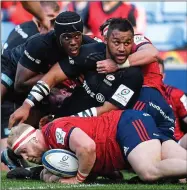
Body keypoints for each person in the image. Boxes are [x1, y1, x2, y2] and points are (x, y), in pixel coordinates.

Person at [8, 18, 145, 128]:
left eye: (127, 43)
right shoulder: (89, 51)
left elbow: (105, 110)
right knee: (20, 140)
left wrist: (64, 122)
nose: (122, 48)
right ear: (106, 40)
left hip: (88, 128)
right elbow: (53, 76)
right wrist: (27, 106)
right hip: (61, 117)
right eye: (116, 42)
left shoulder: (133, 75)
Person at [7, 109, 187, 184]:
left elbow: (88, 147)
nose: (25, 158)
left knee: (149, 171)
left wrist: (78, 178)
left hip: (125, 126)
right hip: (126, 131)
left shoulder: (54, 130)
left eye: (24, 151)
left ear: (33, 139)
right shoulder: (52, 141)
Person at [1, 2, 60, 156]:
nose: (49, 23)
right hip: (11, 90)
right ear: (38, 16)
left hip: (16, 88)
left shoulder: (38, 33)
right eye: (48, 18)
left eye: (54, 19)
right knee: (10, 142)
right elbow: (11, 71)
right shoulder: (31, 37)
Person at [158, 58, 187, 149]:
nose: (155, 78)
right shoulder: (136, 95)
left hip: (177, 142)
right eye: (152, 75)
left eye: (158, 75)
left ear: (163, 76)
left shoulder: (176, 94)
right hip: (150, 144)